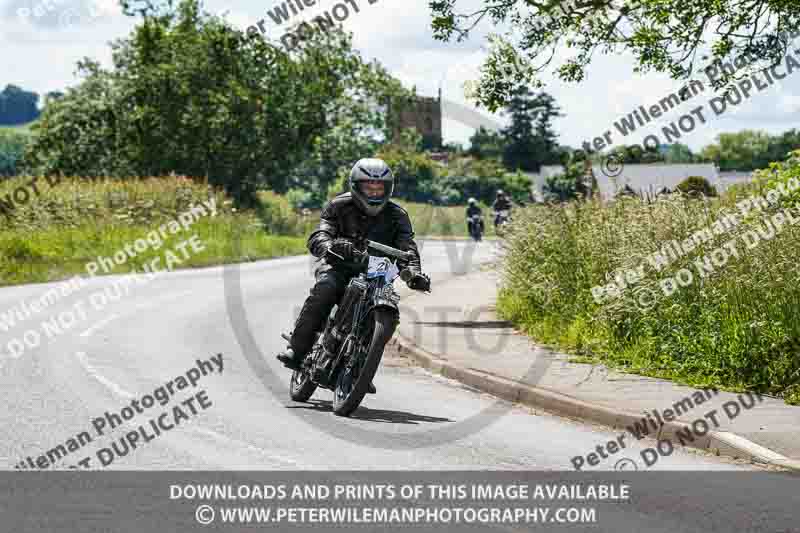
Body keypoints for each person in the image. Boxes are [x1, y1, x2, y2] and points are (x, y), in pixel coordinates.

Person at [276, 158, 431, 393]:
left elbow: (408, 247)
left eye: (379, 187)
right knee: (326, 289)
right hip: (340, 265)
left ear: (388, 188)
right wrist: (329, 246)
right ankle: (297, 348)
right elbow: (320, 233)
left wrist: (414, 274)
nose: (375, 192)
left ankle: (362, 366)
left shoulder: (398, 215)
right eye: (369, 187)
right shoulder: (339, 206)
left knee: (388, 309)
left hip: (377, 271)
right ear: (356, 186)